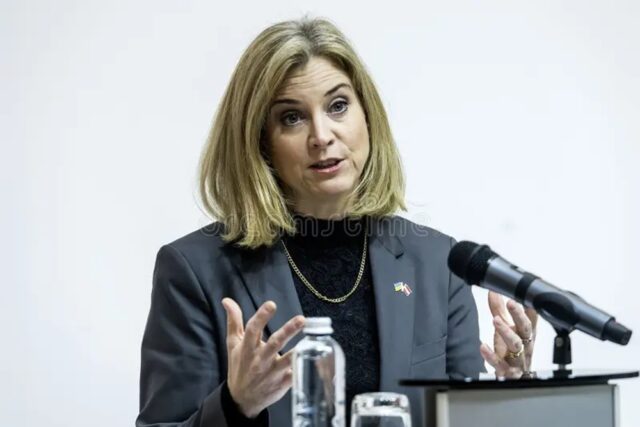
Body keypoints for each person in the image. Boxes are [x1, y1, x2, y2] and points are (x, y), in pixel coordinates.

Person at [136, 17, 538, 427]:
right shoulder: (195, 271)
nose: (321, 135)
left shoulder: (438, 262)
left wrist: (510, 392)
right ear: (259, 143)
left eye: (338, 106)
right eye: (291, 117)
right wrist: (235, 404)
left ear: (368, 116)